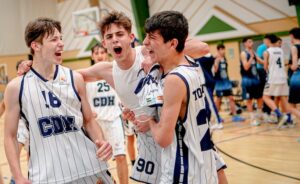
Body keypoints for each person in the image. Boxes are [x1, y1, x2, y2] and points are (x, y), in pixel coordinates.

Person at [17, 11, 210, 183]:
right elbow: (68, 76)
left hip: (179, 134)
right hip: (148, 138)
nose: (115, 40)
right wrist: (33, 64)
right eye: (109, 36)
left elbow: (202, 48)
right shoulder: (106, 70)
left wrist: (155, 57)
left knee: (212, 174)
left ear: (131, 38)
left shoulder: (148, 52)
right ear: (104, 43)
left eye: (120, 34)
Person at [4, 17, 113, 184]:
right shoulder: (16, 87)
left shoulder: (75, 78)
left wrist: (102, 142)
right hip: (46, 176)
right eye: (54, 39)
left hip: (89, 167)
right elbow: (11, 136)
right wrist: (17, 175)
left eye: (61, 38)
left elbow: (89, 120)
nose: (61, 43)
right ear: (36, 45)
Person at [141, 10, 217, 183]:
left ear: (173, 43)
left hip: (183, 170)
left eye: (152, 37)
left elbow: (163, 139)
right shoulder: (192, 66)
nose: (145, 42)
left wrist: (149, 120)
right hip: (204, 166)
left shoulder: (174, 80)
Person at [86, 43, 128, 184]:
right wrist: (87, 109)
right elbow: (80, 98)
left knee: (121, 156)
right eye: (96, 53)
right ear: (92, 56)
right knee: (97, 161)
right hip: (95, 123)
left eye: (102, 52)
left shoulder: (114, 71)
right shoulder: (86, 76)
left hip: (113, 119)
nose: (99, 55)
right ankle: (109, 180)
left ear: (107, 54)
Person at [262, 34, 291, 128]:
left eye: (265, 40)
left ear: (268, 40)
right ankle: (289, 120)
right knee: (283, 99)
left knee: (265, 97)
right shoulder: (281, 50)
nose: (264, 42)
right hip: (283, 77)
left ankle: (279, 114)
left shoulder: (266, 52)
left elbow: (265, 67)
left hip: (273, 78)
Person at [214, 44, 245, 123]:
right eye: (222, 50)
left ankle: (235, 116)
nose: (224, 51)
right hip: (219, 84)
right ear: (218, 50)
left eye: (224, 49)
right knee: (218, 100)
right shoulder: (215, 58)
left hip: (226, 83)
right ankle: (216, 117)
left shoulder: (224, 58)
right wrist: (217, 62)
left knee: (231, 98)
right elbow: (214, 71)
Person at [240, 37, 264, 126]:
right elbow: (246, 66)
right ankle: (252, 118)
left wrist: (268, 59)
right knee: (249, 100)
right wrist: (252, 58)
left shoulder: (253, 52)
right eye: (249, 41)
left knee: (260, 98)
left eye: (252, 41)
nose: (252, 43)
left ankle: (258, 114)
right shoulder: (243, 53)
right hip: (247, 80)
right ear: (245, 44)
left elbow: (261, 61)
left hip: (255, 79)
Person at [288, 28, 300, 123]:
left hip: (297, 77)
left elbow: (294, 66)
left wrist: (290, 66)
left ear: (292, 36)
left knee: (291, 106)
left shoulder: (294, 47)